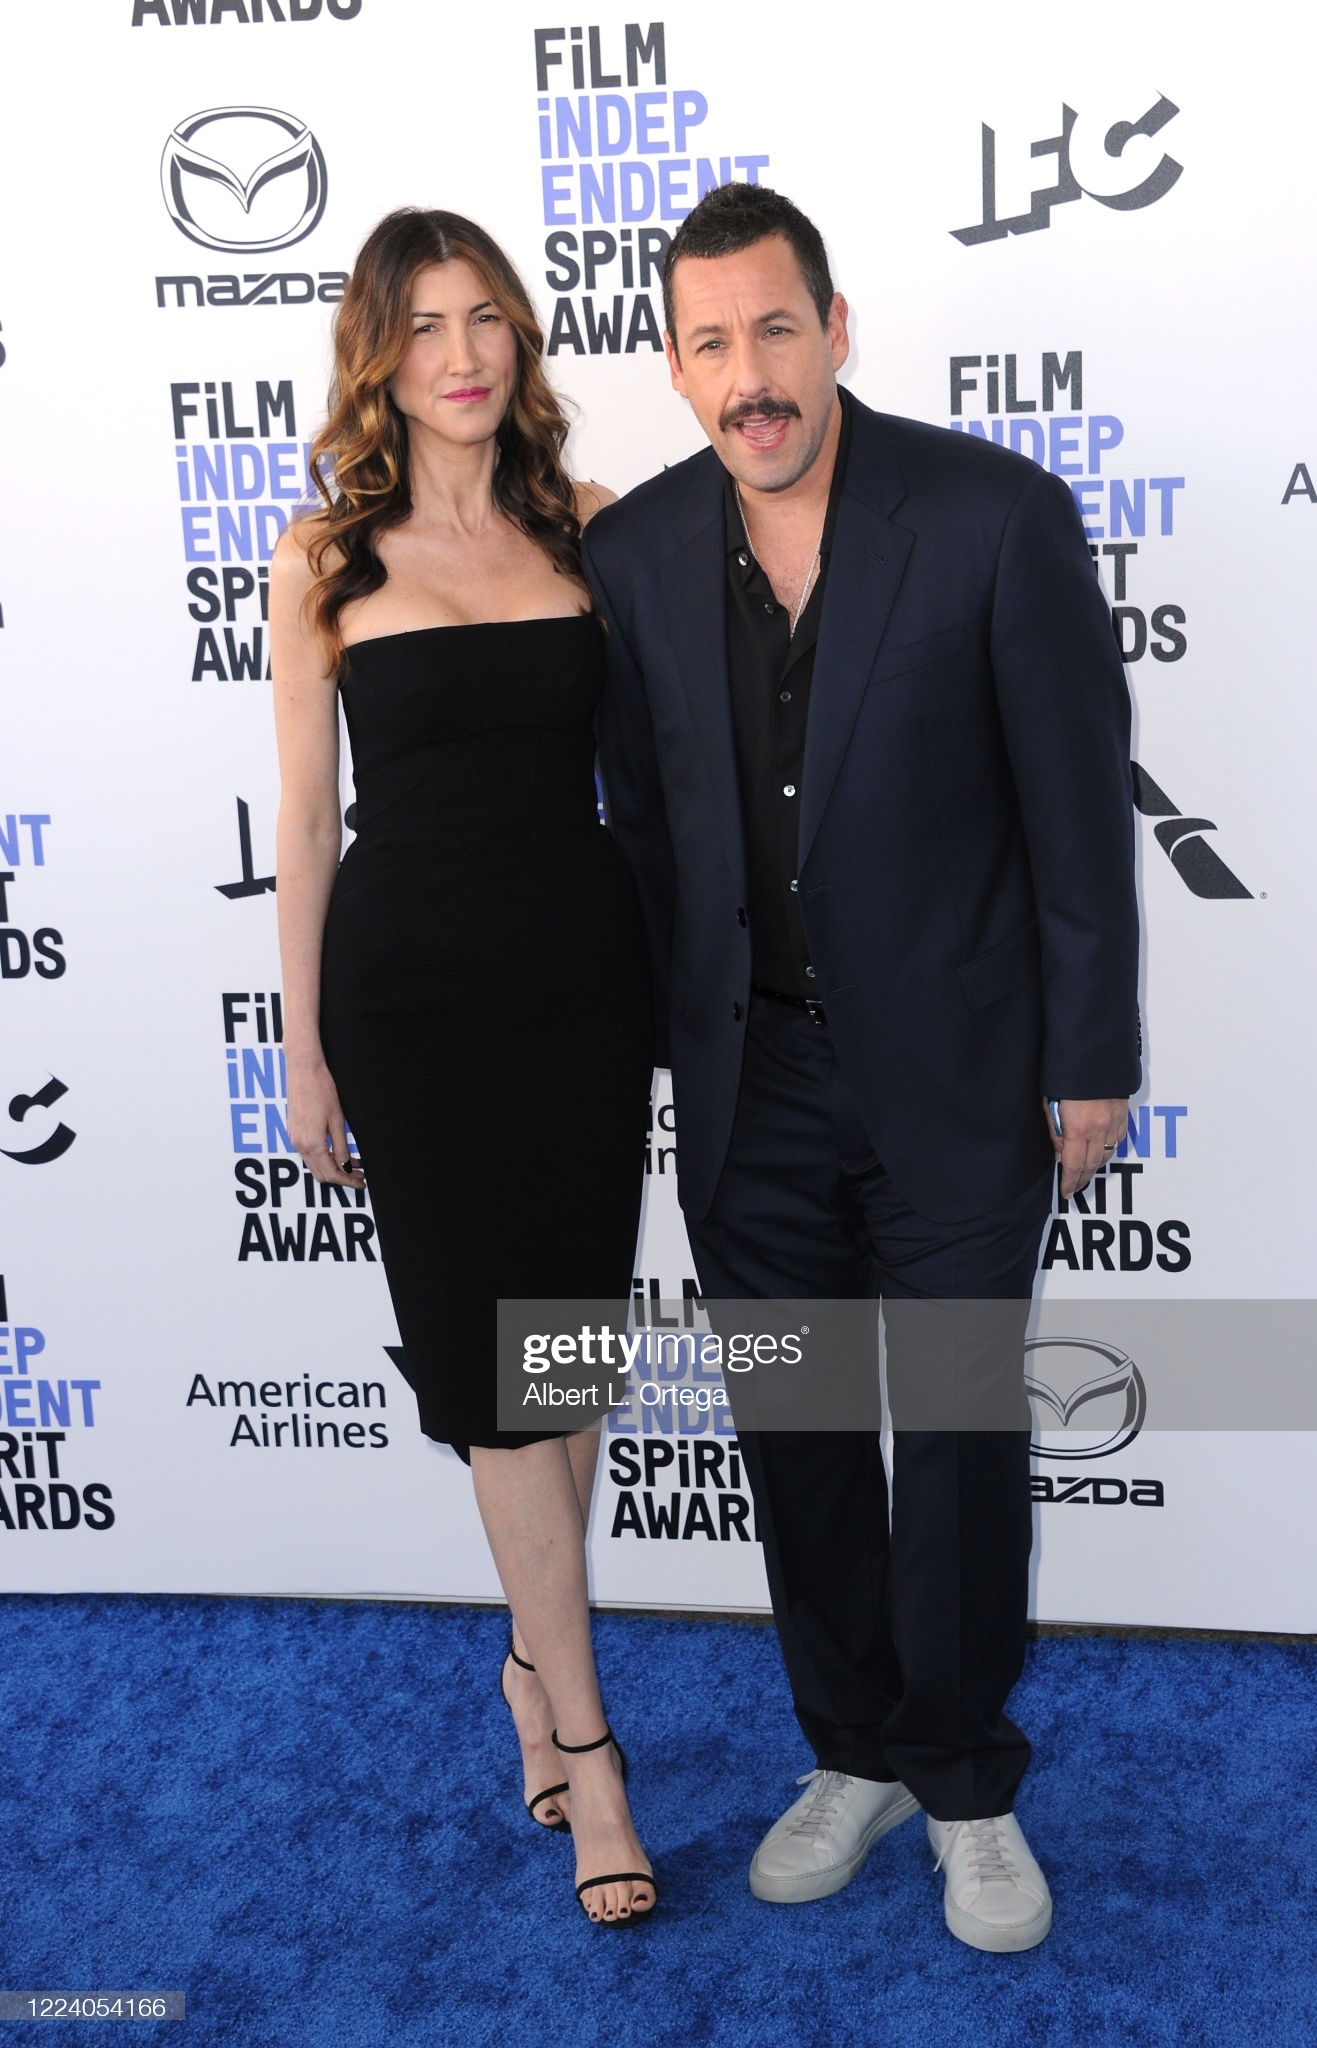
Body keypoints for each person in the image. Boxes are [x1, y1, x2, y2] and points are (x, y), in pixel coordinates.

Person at [584, 183, 1139, 1953]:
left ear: (834, 328)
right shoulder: (633, 555)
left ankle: (964, 1780)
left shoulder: (990, 516)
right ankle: (851, 1750)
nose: (748, 374)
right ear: (674, 367)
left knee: (958, 1435)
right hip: (750, 1090)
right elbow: (645, 835)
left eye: (774, 328)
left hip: (960, 1078)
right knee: (800, 1435)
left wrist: (1088, 1054)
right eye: (710, 343)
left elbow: (1075, 811)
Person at [269, 208, 656, 1928]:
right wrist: (302, 1047)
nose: (462, 354)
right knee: (499, 1392)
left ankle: (525, 1665)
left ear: (519, 338)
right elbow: (303, 824)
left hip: (582, 990)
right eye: (424, 325)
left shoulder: (591, 529)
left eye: (486, 318)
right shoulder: (322, 560)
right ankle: (590, 1752)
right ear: (380, 353)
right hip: (412, 1011)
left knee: (565, 1369)